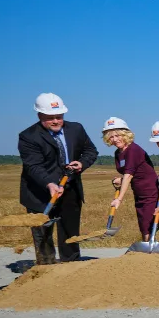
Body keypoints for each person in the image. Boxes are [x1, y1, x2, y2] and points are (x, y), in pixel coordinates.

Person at [17, 93, 98, 264]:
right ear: (39, 116)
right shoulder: (28, 136)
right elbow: (33, 166)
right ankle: (46, 269)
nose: (55, 121)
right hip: (40, 192)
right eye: (50, 117)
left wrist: (82, 163)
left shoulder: (76, 129)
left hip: (70, 189)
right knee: (42, 233)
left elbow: (91, 151)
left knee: (70, 232)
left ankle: (70, 267)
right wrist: (49, 183)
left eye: (59, 116)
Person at [102, 117, 159, 240]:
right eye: (111, 137)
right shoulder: (118, 153)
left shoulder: (133, 150)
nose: (115, 139)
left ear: (125, 134)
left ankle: (151, 251)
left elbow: (128, 175)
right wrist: (120, 180)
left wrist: (119, 199)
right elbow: (131, 174)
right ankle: (147, 247)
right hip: (138, 192)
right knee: (142, 223)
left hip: (150, 191)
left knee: (147, 223)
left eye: (118, 135)